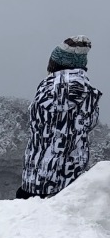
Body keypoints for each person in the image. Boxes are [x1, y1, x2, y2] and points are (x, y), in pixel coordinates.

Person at [17, 35, 101, 200]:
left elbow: (47, 132)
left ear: (57, 63)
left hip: (43, 175)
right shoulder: (87, 91)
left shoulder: (54, 89)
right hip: (72, 173)